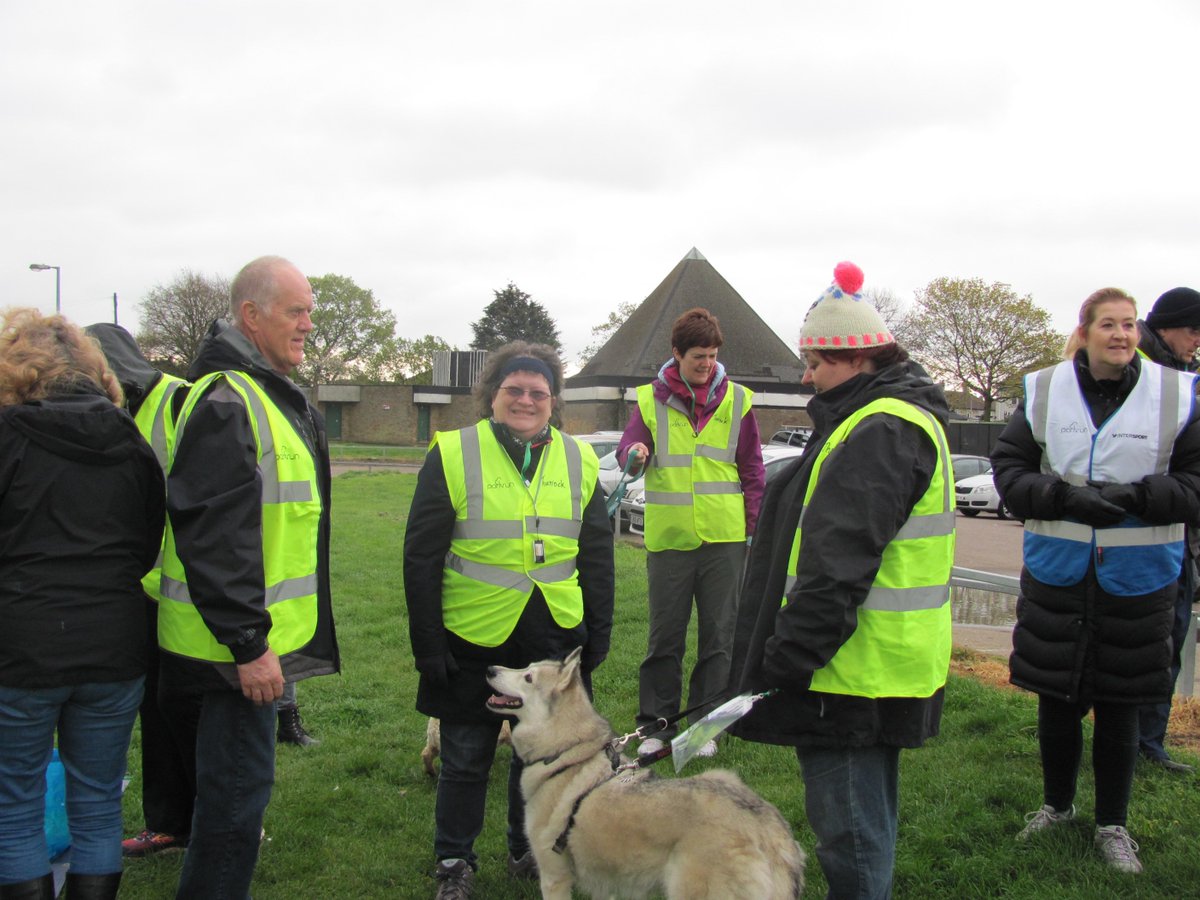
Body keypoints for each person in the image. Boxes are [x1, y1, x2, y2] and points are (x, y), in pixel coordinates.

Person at [727, 262, 955, 900]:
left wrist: (788, 656)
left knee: (850, 834)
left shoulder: (879, 430)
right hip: (876, 662)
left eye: (815, 362)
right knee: (866, 819)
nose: (806, 376)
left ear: (856, 359)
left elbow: (837, 563)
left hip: (848, 669)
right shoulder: (889, 418)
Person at [992, 287, 1200, 875]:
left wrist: (1138, 497)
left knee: (1120, 706)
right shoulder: (1043, 389)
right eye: (1108, 324)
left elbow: (1195, 482)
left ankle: (1113, 825)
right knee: (1056, 701)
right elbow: (1010, 470)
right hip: (1058, 573)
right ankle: (1056, 807)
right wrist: (1062, 497)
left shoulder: (1177, 394)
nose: (1121, 334)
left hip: (1138, 578)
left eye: (1129, 324)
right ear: (1084, 333)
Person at [403, 341, 614, 899]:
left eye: (538, 392)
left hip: (553, 635)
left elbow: (596, 554)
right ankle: (454, 861)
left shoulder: (580, 458)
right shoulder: (453, 452)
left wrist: (599, 632)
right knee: (466, 758)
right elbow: (420, 556)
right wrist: (427, 644)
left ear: (554, 400)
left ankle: (526, 849)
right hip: (473, 635)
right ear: (491, 396)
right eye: (513, 390)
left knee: (540, 756)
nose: (526, 400)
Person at [158, 256, 340, 898]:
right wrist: (249, 645)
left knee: (233, 801)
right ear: (251, 316)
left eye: (310, 310)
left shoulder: (262, 392)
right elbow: (214, 536)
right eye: (297, 311)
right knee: (234, 808)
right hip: (232, 655)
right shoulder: (230, 399)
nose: (308, 324)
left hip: (241, 648)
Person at [0, 309, 164, 899]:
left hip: (21, 644)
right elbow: (146, 542)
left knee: (13, 800)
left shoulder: (7, 436)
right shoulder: (131, 440)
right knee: (97, 801)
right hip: (113, 643)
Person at [616, 307, 764, 759]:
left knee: (719, 640)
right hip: (670, 541)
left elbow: (752, 470)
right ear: (676, 353)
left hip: (726, 540)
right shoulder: (650, 400)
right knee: (665, 639)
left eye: (713, 356)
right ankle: (656, 726)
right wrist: (635, 453)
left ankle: (703, 730)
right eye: (698, 356)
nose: (707, 364)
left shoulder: (738, 400)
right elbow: (628, 452)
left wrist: (753, 530)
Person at [85, 323, 197, 858]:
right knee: (154, 711)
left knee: (192, 715)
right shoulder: (112, 409)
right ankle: (168, 822)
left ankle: (216, 824)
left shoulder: (180, 401)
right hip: (139, 590)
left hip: (189, 592)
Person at [1133, 286, 1200, 774]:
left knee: (1169, 642)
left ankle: (1148, 742)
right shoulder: (1139, 375)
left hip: (1181, 534)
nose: (1197, 341)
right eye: (1193, 330)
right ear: (1165, 326)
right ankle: (1130, 740)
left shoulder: (1183, 379)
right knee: (1140, 644)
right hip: (1142, 534)